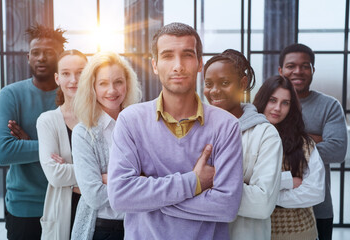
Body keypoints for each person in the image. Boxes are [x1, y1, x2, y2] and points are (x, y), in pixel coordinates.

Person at [107, 22, 243, 240]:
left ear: (200, 64)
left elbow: (226, 207)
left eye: (187, 55)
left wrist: (152, 201)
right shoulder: (130, 121)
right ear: (154, 64)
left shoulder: (226, 126)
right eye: (168, 56)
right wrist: (194, 182)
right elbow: (121, 196)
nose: (178, 65)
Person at [0, 24, 66, 240]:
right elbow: (5, 152)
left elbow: (83, 150)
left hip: (67, 201)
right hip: (24, 206)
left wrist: (28, 142)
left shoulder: (73, 96)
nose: (41, 58)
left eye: (49, 52)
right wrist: (57, 145)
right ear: (28, 57)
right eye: (35, 53)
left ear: (60, 57)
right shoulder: (11, 95)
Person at [203, 49, 283, 239]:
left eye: (224, 83)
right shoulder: (194, 128)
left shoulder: (265, 134)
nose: (214, 91)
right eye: (208, 84)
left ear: (242, 84)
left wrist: (205, 181)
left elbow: (262, 204)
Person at [278, 43, 347, 240]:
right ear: (281, 70)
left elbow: (337, 150)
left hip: (319, 209)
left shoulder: (329, 106)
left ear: (313, 70)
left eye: (305, 66)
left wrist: (287, 141)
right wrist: (314, 139)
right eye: (291, 66)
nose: (298, 71)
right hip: (274, 206)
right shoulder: (271, 104)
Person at [70, 51, 142, 240]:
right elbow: (94, 196)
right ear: (92, 87)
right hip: (103, 230)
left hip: (142, 227)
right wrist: (137, 181)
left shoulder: (142, 125)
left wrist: (113, 179)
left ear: (127, 84)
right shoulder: (83, 133)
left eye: (118, 82)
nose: (112, 90)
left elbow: (157, 176)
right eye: (103, 83)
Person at [253, 75, 325, 240]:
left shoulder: (304, 143)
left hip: (299, 232)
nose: (278, 108)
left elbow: (315, 192)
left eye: (285, 103)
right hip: (255, 231)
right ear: (263, 100)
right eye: (272, 100)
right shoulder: (246, 137)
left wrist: (266, 197)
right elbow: (241, 183)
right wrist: (286, 181)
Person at [36, 50, 88, 240]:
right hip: (63, 212)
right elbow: (55, 176)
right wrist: (97, 175)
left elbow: (116, 171)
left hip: (101, 213)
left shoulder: (101, 118)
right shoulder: (47, 121)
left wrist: (69, 171)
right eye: (66, 73)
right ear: (57, 78)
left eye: (80, 72)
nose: (73, 79)